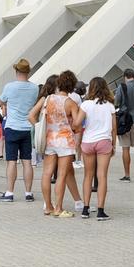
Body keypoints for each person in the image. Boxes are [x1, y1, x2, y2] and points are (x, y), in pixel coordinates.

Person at [29, 70, 81, 217]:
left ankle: (48, 206)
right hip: (65, 141)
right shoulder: (71, 103)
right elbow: (77, 125)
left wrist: (39, 127)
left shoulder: (47, 99)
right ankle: (58, 208)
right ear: (71, 86)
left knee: (46, 173)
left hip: (49, 139)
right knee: (62, 175)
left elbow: (31, 115)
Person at [0, 59, 38, 202]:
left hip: (12, 127)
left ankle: (9, 192)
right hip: (28, 128)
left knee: (12, 161)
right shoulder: (34, 88)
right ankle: (28, 193)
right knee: (27, 161)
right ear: (28, 72)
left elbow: (1, 101)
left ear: (16, 71)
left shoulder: (10, 87)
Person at [76, 77, 117, 220]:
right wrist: (114, 145)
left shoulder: (86, 105)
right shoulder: (110, 106)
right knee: (102, 176)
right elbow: (114, 129)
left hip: (88, 142)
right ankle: (100, 210)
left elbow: (77, 123)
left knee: (88, 175)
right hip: (104, 142)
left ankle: (85, 209)